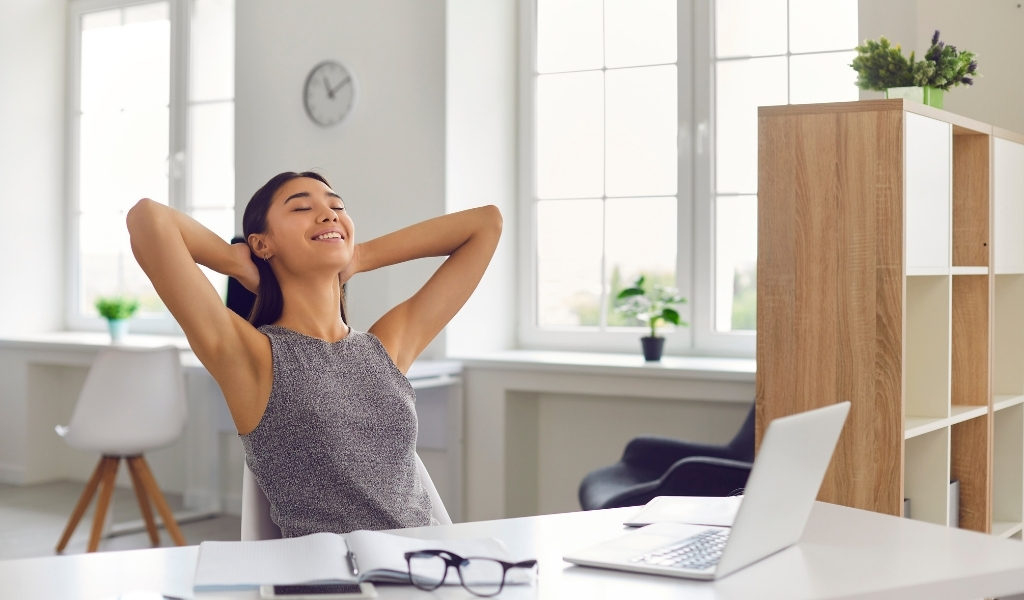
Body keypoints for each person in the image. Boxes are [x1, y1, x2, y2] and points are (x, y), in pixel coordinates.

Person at [127, 171, 501, 537]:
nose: (329, 213)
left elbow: (486, 224)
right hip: (331, 580)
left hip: (424, 566)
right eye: (301, 208)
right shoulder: (252, 357)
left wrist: (361, 255)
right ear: (262, 244)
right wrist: (233, 261)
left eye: (336, 205)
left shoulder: (384, 347)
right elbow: (149, 219)